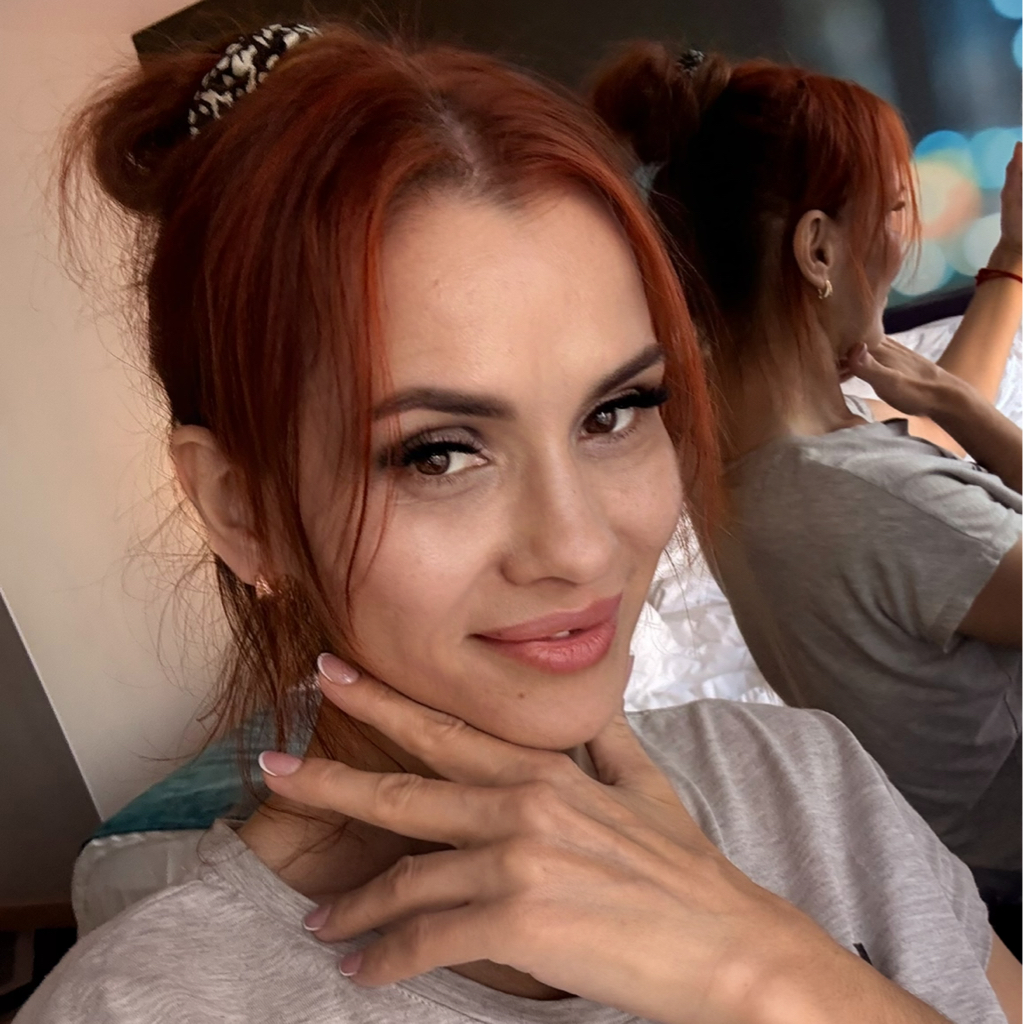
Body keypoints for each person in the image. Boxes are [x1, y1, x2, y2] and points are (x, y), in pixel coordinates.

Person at [19, 23, 1018, 1024]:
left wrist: (774, 976)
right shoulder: (140, 1008)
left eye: (614, 412)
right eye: (438, 453)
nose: (581, 548)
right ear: (243, 511)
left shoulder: (804, 778)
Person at [592, 44, 1022, 943]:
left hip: (962, 869)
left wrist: (1008, 262)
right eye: (894, 210)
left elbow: (921, 505)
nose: (901, 240)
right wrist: (973, 419)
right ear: (817, 247)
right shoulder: (867, 497)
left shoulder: (731, 462)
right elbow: (918, 507)